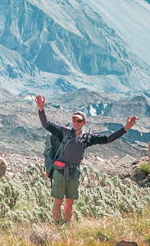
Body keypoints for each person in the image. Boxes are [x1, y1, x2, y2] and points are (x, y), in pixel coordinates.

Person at [35, 95, 137, 223]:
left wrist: (126, 128)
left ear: (84, 123)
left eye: (78, 121)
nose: (75, 123)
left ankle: (66, 226)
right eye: (74, 120)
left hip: (74, 173)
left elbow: (108, 139)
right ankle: (56, 226)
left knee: (70, 202)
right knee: (58, 201)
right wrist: (41, 109)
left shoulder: (87, 138)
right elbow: (46, 124)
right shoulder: (64, 132)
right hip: (60, 171)